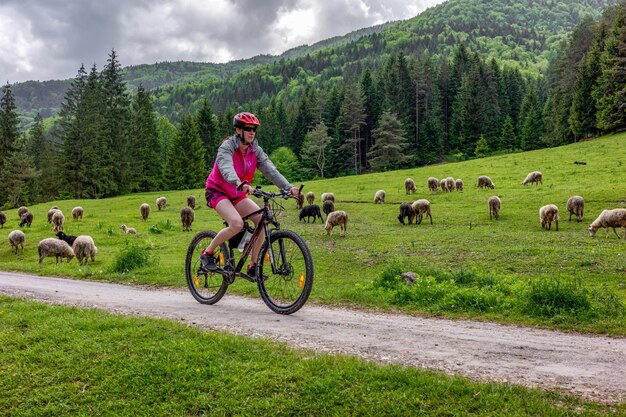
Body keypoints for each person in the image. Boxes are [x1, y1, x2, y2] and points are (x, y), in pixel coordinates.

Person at [200, 111, 299, 277]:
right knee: (237, 224)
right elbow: (226, 168)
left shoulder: (255, 150)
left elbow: (271, 171)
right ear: (238, 130)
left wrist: (288, 187)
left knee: (262, 220)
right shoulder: (227, 147)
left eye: (254, 129)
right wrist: (239, 183)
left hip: (237, 194)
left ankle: (253, 266)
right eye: (248, 128)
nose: (252, 132)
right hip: (217, 191)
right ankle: (207, 253)